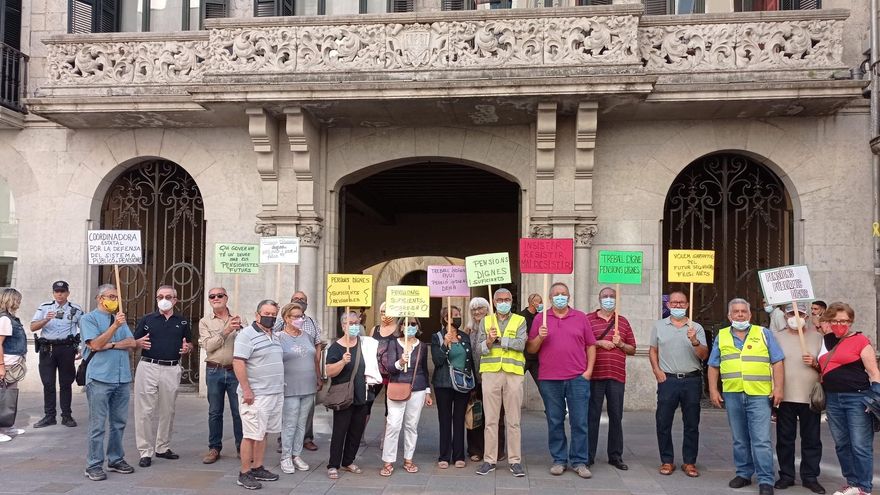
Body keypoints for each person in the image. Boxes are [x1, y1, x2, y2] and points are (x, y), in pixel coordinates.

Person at [708, 298, 785, 495]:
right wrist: (714, 390)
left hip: (759, 394)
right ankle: (743, 473)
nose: (740, 314)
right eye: (736, 311)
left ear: (750, 315)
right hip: (733, 393)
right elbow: (713, 365)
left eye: (744, 311)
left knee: (761, 439)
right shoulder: (722, 336)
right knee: (739, 438)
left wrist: (778, 389)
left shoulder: (763, 333)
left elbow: (777, 362)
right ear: (729, 316)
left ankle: (765, 479)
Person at [526, 282, 596, 479]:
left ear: (569, 297)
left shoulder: (580, 317)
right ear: (549, 298)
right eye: (556, 294)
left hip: (577, 378)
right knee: (555, 420)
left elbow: (591, 345)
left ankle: (579, 461)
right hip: (549, 379)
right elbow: (531, 349)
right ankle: (559, 459)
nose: (560, 296)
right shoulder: (541, 318)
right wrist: (539, 337)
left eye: (563, 294)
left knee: (580, 421)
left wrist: (588, 372)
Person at [818, 302, 880, 495]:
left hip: (857, 399)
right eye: (835, 320)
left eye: (844, 320)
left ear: (851, 321)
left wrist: (875, 398)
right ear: (828, 321)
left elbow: (874, 373)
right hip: (833, 400)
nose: (840, 324)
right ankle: (852, 483)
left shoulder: (861, 341)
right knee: (842, 444)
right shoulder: (826, 340)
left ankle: (864, 488)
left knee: (860, 445)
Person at [80, 284, 138, 481]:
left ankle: (115, 458)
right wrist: (114, 329)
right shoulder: (88, 319)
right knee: (98, 425)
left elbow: (132, 343)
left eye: (116, 296)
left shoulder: (119, 319)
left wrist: (111, 344)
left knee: (119, 423)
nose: (114, 300)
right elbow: (95, 344)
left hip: (122, 378)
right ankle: (93, 464)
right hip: (100, 378)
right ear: (100, 298)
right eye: (110, 296)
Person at [648, 290, 708, 478]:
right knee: (663, 421)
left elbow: (704, 355)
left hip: (691, 379)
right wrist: (657, 370)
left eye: (682, 303)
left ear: (688, 305)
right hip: (668, 380)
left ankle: (689, 462)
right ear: (668, 305)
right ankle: (667, 460)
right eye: (674, 303)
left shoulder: (696, 327)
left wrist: (695, 341)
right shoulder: (659, 326)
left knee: (691, 423)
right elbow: (653, 350)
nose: (678, 306)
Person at [133, 285, 193, 468]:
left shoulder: (182, 322)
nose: (164, 299)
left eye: (168, 296)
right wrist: (138, 342)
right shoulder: (147, 319)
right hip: (148, 366)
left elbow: (189, 344)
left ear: (175, 300)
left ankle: (162, 447)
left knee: (168, 410)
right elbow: (134, 342)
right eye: (160, 296)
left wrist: (188, 348)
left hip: (171, 368)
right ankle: (145, 451)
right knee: (144, 411)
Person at [773, 302, 824, 494]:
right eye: (791, 313)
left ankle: (810, 476)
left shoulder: (818, 338)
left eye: (800, 313)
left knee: (811, 439)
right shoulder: (776, 337)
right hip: (784, 395)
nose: (796, 316)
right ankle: (786, 475)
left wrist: (816, 363)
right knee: (785, 438)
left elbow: (826, 366)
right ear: (785, 316)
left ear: (807, 316)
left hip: (810, 396)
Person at [233, 299, 283, 490]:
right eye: (266, 314)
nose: (270, 317)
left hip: (274, 393)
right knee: (251, 434)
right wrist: (246, 389)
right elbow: (238, 362)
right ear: (257, 315)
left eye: (273, 314)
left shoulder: (274, 335)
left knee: (263, 433)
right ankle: (244, 473)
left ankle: (258, 467)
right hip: (256, 395)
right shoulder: (246, 335)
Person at [476, 288, 527, 477]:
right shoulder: (485, 321)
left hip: (513, 373)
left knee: (513, 420)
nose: (503, 302)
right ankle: (489, 460)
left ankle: (515, 461)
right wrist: (488, 342)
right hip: (490, 373)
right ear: (494, 302)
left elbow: (521, 344)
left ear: (512, 300)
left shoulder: (519, 320)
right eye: (500, 300)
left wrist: (500, 340)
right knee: (490, 420)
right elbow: (479, 349)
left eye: (507, 299)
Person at [585, 286, 636, 470]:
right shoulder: (588, 319)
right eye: (605, 296)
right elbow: (581, 342)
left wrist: (620, 343)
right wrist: (598, 342)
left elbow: (633, 349)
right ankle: (588, 456)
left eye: (612, 296)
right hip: (595, 375)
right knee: (592, 416)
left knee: (616, 417)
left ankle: (615, 456)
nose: (608, 299)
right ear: (599, 299)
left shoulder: (622, 322)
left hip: (616, 376)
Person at [380, 317, 432, 476]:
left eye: (413, 324)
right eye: (406, 323)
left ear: (418, 327)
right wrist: (400, 362)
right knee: (393, 425)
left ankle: (408, 459)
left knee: (411, 425)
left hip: (417, 389)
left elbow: (424, 369)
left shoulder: (422, 346)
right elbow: (389, 368)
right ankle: (388, 460)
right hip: (397, 387)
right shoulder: (393, 343)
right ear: (401, 326)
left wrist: (428, 392)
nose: (410, 326)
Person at [198, 287, 244, 464]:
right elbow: (209, 346)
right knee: (215, 412)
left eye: (219, 295)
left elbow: (246, 341)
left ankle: (242, 447)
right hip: (214, 370)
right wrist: (226, 331)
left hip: (235, 370)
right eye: (212, 296)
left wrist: (240, 329)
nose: (216, 298)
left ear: (227, 297)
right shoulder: (204, 322)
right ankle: (214, 448)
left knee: (238, 411)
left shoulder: (239, 318)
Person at [30, 280, 83, 428]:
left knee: (66, 383)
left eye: (62, 291)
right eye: (57, 291)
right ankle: (49, 416)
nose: (59, 294)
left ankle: (66, 415)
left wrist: (81, 348)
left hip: (66, 348)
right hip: (48, 348)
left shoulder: (76, 309)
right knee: (48, 383)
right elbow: (33, 326)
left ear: (68, 293)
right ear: (53, 293)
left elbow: (84, 329)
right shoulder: (44, 307)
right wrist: (46, 319)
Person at [325, 311, 370, 480]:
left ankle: (348, 461)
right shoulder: (336, 347)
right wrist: (342, 362)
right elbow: (329, 371)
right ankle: (333, 464)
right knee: (340, 431)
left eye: (356, 323)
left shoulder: (364, 344)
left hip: (362, 393)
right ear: (343, 326)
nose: (353, 326)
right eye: (349, 323)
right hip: (344, 394)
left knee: (357, 430)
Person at [277, 302, 321, 474]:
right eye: (295, 316)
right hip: (290, 387)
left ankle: (296, 454)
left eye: (301, 316)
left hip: (308, 385)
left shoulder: (307, 336)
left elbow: (314, 358)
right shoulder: (278, 337)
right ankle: (285, 456)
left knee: (302, 423)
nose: (299, 319)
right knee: (289, 423)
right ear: (286, 318)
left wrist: (318, 376)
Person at [432, 305, 475, 469]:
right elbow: (437, 361)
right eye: (454, 315)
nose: (458, 317)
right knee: (444, 420)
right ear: (445, 318)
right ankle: (444, 455)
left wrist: (474, 384)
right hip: (443, 384)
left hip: (462, 384)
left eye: (459, 314)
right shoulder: (437, 336)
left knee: (458, 419)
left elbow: (470, 360)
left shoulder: (464, 336)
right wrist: (444, 344)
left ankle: (458, 455)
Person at [464, 296, 504, 462]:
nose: (477, 312)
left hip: (493, 377)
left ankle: (497, 450)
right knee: (475, 415)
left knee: (496, 416)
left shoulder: (496, 328)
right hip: (474, 379)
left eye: (481, 308)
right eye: (474, 309)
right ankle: (475, 450)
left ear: (488, 309)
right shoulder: (468, 331)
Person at [289, 291, 322, 452]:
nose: (299, 301)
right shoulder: (281, 323)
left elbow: (318, 347)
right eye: (296, 299)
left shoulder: (312, 323)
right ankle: (285, 440)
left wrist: (318, 373)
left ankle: (306, 438)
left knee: (308, 410)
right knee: (289, 409)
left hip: (308, 372)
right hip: (289, 374)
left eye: (302, 299)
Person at [0, 288, 27, 442]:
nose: (20, 303)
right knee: (2, 397)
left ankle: (7, 426)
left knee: (9, 396)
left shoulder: (12, 318)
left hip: (14, 364)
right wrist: (1, 366)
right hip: (7, 364)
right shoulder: (4, 319)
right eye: (18, 299)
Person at [518, 293, 542, 388]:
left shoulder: (541, 316)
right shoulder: (521, 316)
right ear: (532, 303)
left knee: (543, 386)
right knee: (515, 385)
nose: (541, 304)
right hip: (522, 357)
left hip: (536, 358)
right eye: (540, 302)